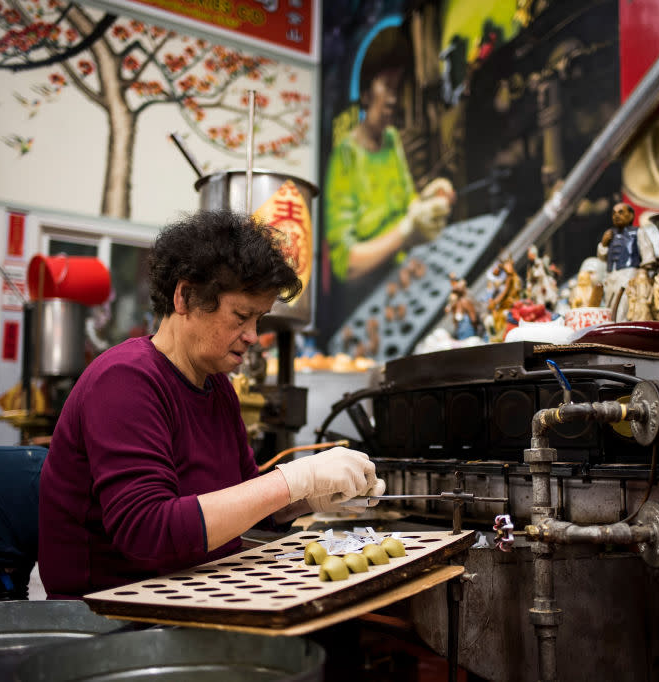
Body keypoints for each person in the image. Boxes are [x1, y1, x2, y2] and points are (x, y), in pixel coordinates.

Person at [38, 210, 384, 599]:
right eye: (241, 316)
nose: (253, 336)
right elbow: (147, 531)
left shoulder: (216, 386)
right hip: (117, 613)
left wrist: (305, 499)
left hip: (197, 590)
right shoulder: (125, 381)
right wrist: (291, 481)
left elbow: (243, 497)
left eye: (260, 319)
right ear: (185, 297)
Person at [324, 26, 454, 289]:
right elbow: (345, 262)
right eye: (388, 87)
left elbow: (408, 203)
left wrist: (430, 197)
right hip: (365, 288)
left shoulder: (392, 139)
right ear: (366, 94)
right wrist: (406, 231)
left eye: (398, 87)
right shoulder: (345, 157)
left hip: (403, 273)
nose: (394, 99)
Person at [597, 202, 641, 320]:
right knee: (610, 301)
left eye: (621, 212)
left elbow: (647, 254)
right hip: (612, 274)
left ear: (631, 215)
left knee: (625, 303)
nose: (616, 216)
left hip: (629, 273)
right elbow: (602, 257)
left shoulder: (637, 233)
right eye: (614, 213)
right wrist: (603, 244)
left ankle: (623, 323)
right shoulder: (610, 234)